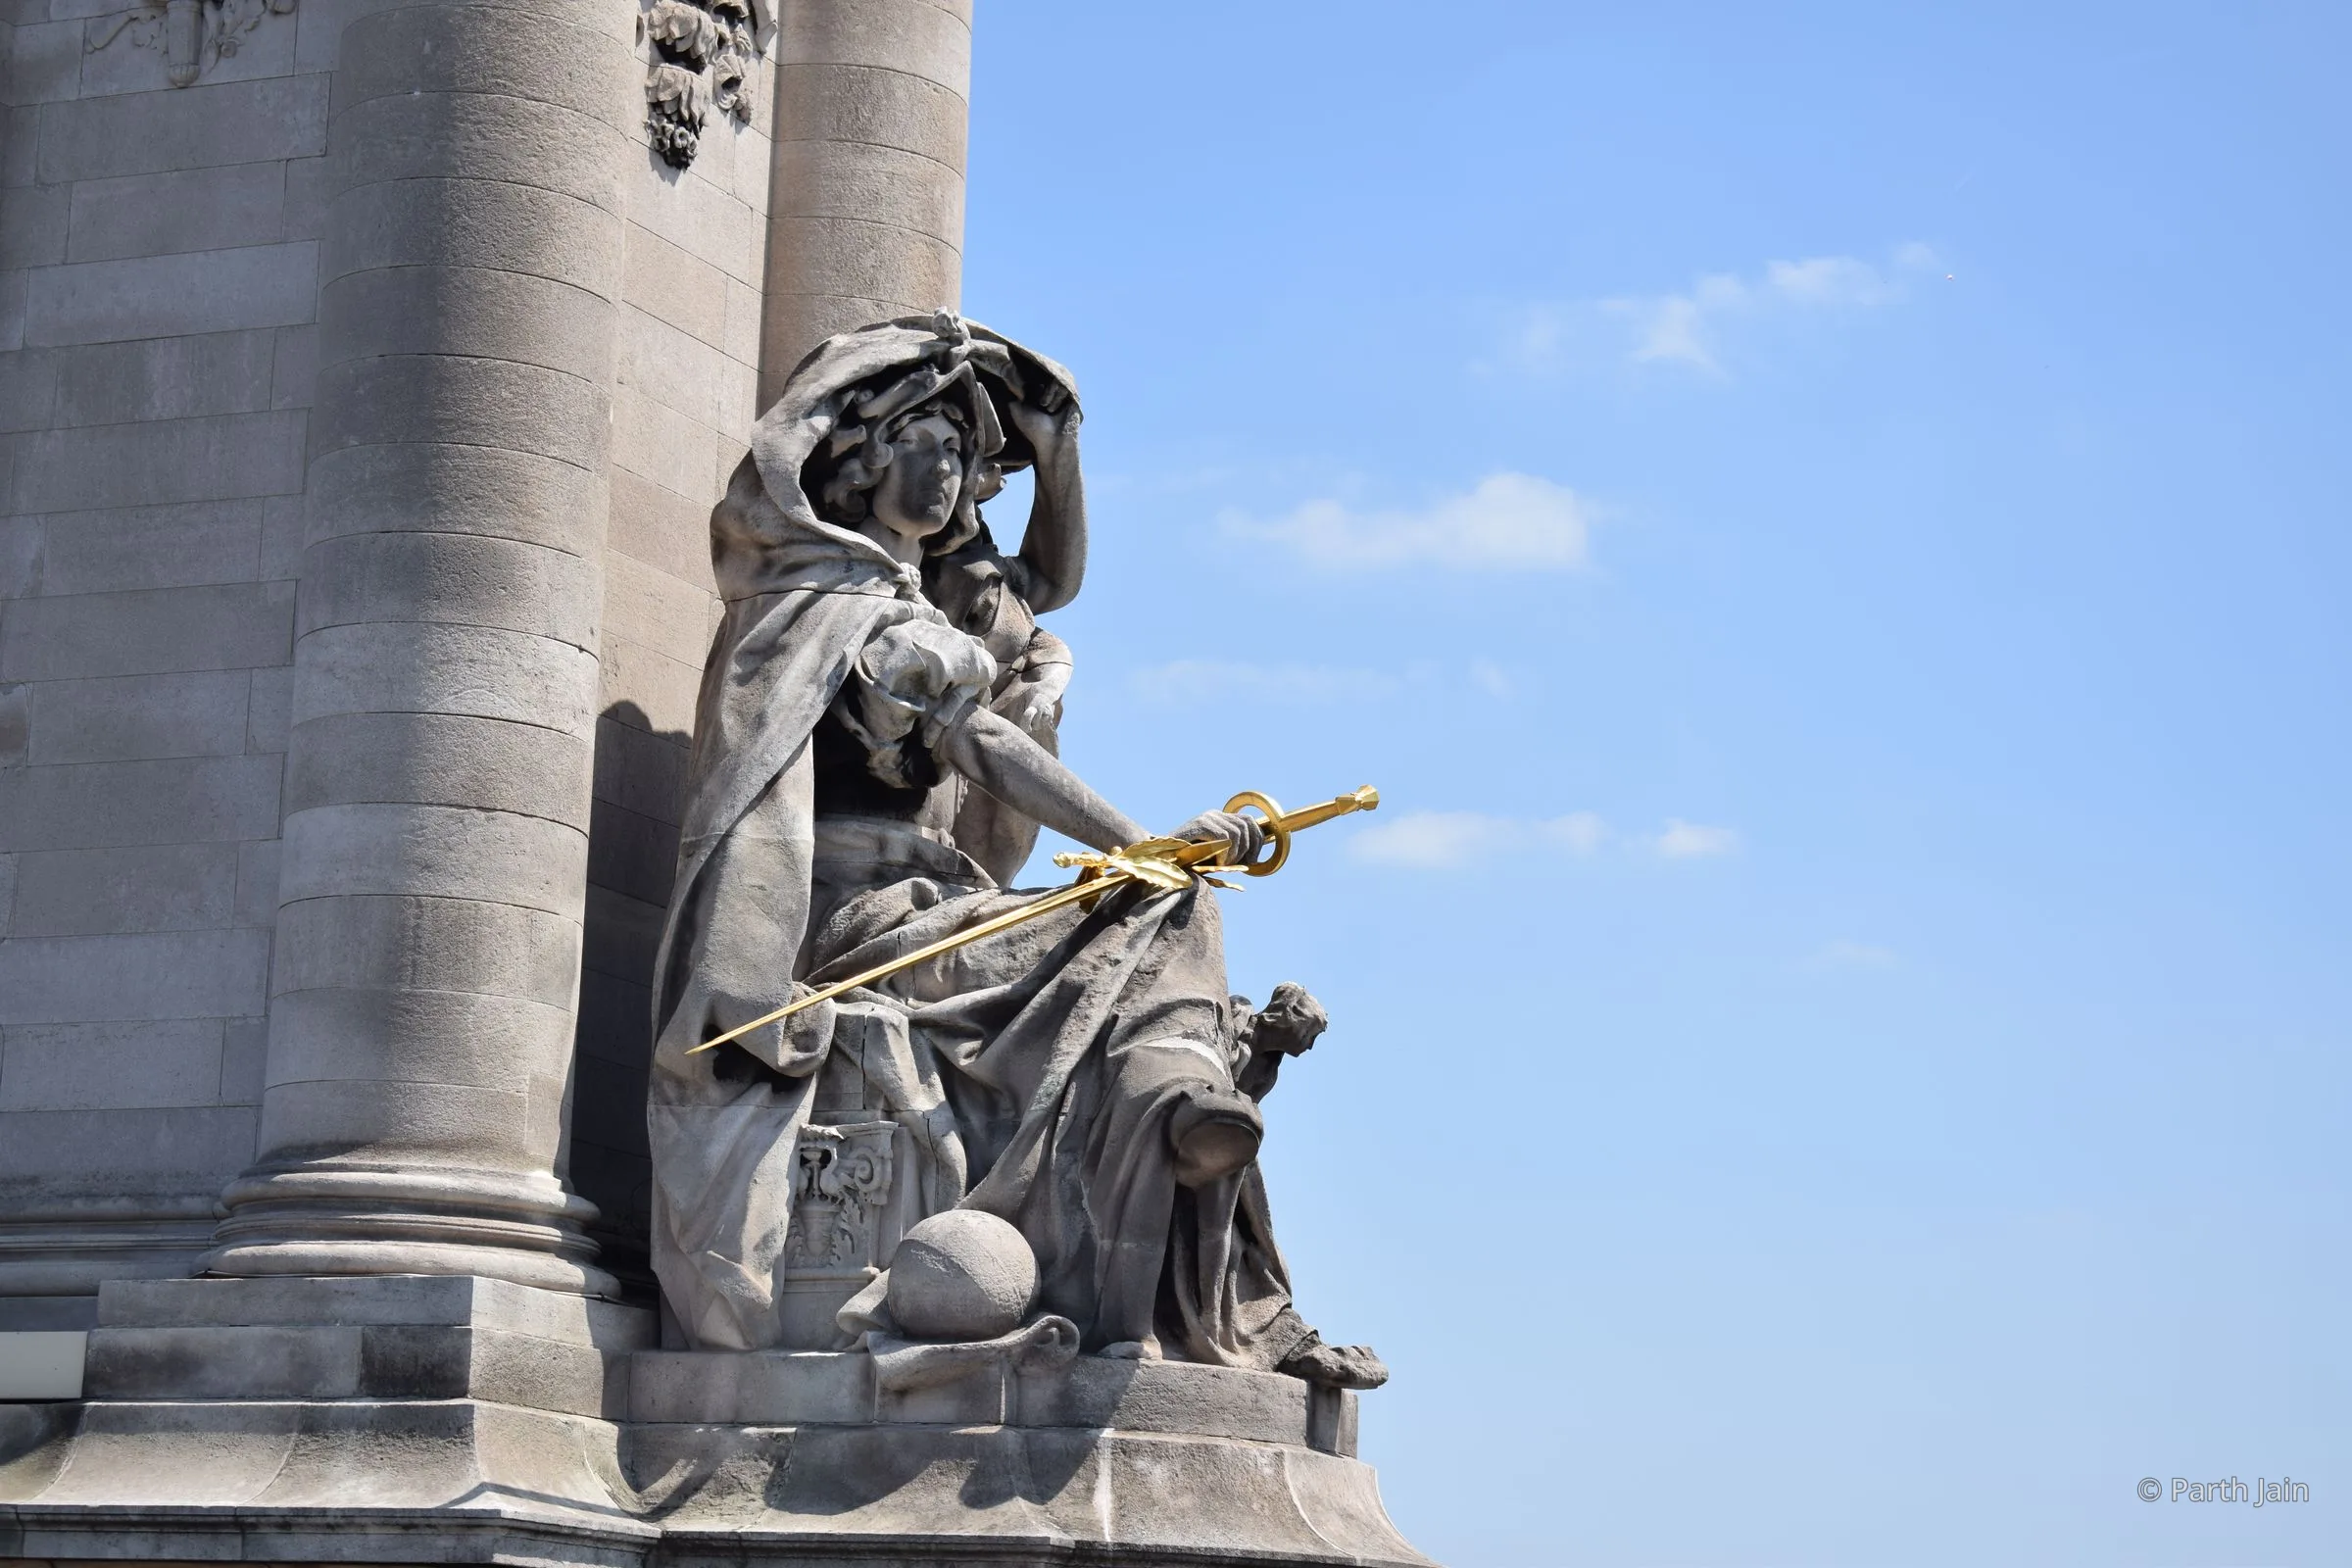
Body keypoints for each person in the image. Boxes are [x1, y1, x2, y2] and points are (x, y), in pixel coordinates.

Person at [647, 315, 1383, 1388]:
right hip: (861, 930)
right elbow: (977, 741)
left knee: (1170, 915)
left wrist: (1056, 451)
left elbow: (1038, 592)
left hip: (933, 910)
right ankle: (1177, 1124)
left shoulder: (909, 604)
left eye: (960, 455)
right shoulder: (831, 609)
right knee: (1163, 906)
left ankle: (1184, 1121)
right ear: (861, 463)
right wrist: (1143, 842)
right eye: (927, 448)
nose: (948, 474)